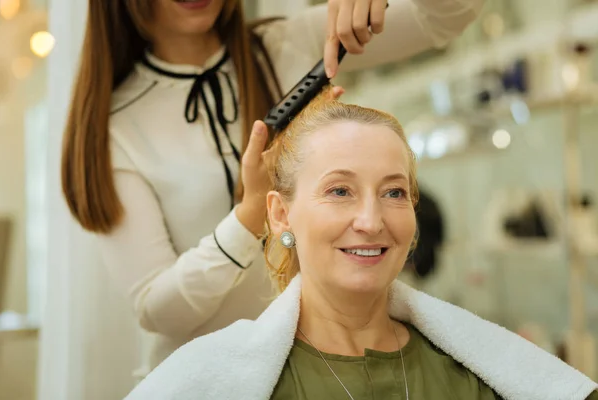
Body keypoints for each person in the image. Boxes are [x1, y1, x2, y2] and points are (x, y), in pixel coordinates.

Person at [60, 0, 485, 374]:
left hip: (329, 368)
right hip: (208, 382)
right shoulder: (116, 129)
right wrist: (248, 216)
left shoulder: (289, 45)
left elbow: (449, 17)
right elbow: (159, 309)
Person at [123, 88, 598, 400]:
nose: (371, 221)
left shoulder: (478, 377)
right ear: (280, 213)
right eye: (339, 191)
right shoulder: (207, 381)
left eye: (394, 193)